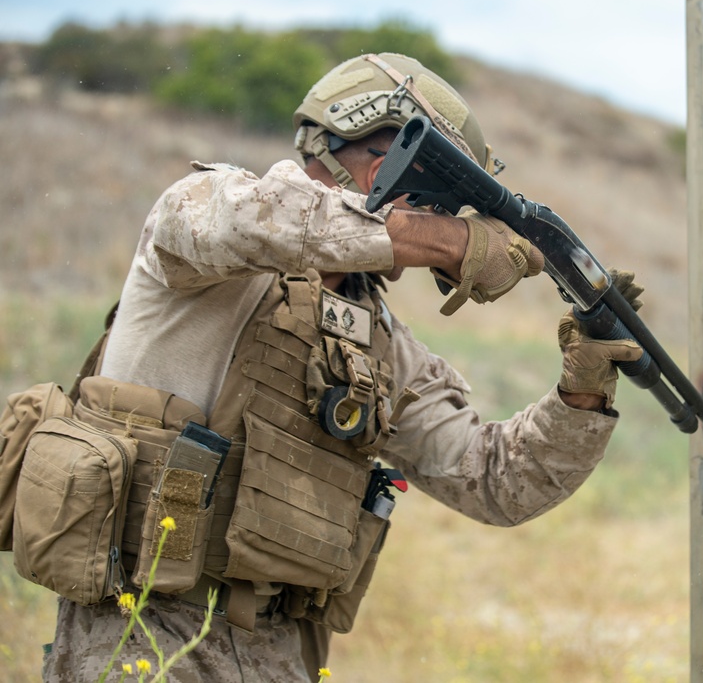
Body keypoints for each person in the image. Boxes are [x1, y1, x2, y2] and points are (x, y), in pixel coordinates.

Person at [34, 52, 644, 681]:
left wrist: (583, 390)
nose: (436, 231)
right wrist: (457, 242)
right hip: (141, 638)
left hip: (276, 654)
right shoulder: (207, 213)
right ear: (387, 171)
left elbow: (493, 478)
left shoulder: (374, 335)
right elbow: (284, 221)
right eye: (438, 205)